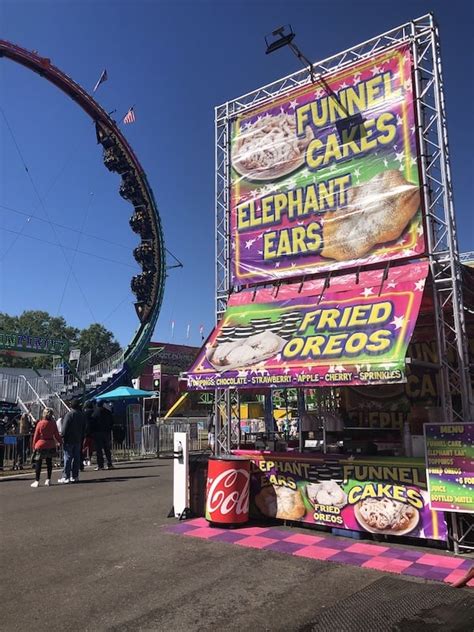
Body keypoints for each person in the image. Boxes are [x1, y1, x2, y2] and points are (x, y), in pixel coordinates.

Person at [30, 408, 61, 487]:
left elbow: (36, 436)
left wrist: (33, 445)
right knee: (49, 462)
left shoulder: (40, 423)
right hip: (50, 444)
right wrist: (61, 442)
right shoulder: (53, 423)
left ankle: (37, 480)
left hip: (41, 444)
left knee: (38, 463)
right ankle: (48, 479)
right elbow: (57, 435)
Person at [58, 400, 85, 484]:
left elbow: (65, 427)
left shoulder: (69, 414)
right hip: (78, 438)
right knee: (76, 457)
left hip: (69, 439)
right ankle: (75, 476)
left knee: (68, 457)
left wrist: (62, 436)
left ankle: (66, 476)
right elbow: (84, 427)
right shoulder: (81, 415)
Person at [91, 401, 114, 470]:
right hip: (106, 432)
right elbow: (112, 422)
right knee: (107, 449)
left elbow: (92, 423)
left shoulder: (95, 413)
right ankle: (109, 463)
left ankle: (100, 465)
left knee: (99, 450)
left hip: (97, 433)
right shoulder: (108, 412)